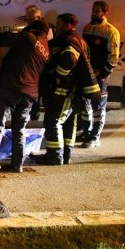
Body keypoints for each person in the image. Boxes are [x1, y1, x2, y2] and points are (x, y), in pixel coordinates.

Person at [0, 19, 50, 173]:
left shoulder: (28, 38)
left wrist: (21, 32)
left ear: (33, 29)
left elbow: (1, 38)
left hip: (12, 86)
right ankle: (17, 164)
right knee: (19, 129)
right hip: (30, 94)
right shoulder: (46, 50)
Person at [33, 13, 100, 165]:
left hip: (63, 88)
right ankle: (66, 154)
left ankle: (54, 156)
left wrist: (57, 75)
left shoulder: (69, 41)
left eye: (59, 24)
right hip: (74, 89)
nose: (56, 27)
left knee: (53, 121)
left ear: (68, 25)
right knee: (69, 121)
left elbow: (69, 60)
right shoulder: (80, 40)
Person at [79, 1, 120, 148]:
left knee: (98, 105)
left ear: (104, 13)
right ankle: (86, 131)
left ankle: (95, 137)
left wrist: (102, 72)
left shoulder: (111, 31)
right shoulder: (87, 28)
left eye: (97, 11)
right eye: (93, 10)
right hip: (87, 73)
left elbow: (114, 57)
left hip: (100, 74)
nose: (94, 13)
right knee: (85, 104)